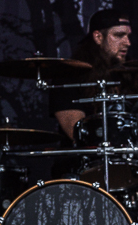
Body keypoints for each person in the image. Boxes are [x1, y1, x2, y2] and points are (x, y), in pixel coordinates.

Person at [50, 9, 132, 141]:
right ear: (98, 37)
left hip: (132, 151)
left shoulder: (130, 72)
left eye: (128, 36)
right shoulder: (69, 74)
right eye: (119, 35)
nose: (127, 43)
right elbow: (77, 133)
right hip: (89, 152)